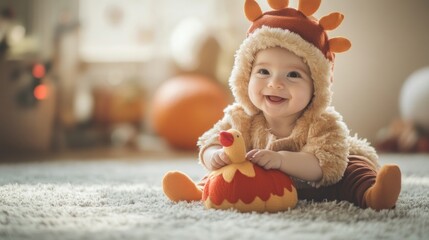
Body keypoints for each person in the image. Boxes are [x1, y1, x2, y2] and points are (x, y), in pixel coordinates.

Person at [163, 0, 401, 211]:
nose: (275, 83)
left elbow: (324, 165)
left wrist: (282, 161)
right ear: (246, 76)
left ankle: (374, 195)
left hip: (318, 185)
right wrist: (214, 155)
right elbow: (212, 140)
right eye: (264, 71)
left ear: (316, 87)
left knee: (354, 169)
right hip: (262, 181)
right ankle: (200, 191)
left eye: (293, 75)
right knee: (227, 171)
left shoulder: (323, 122)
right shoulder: (242, 117)